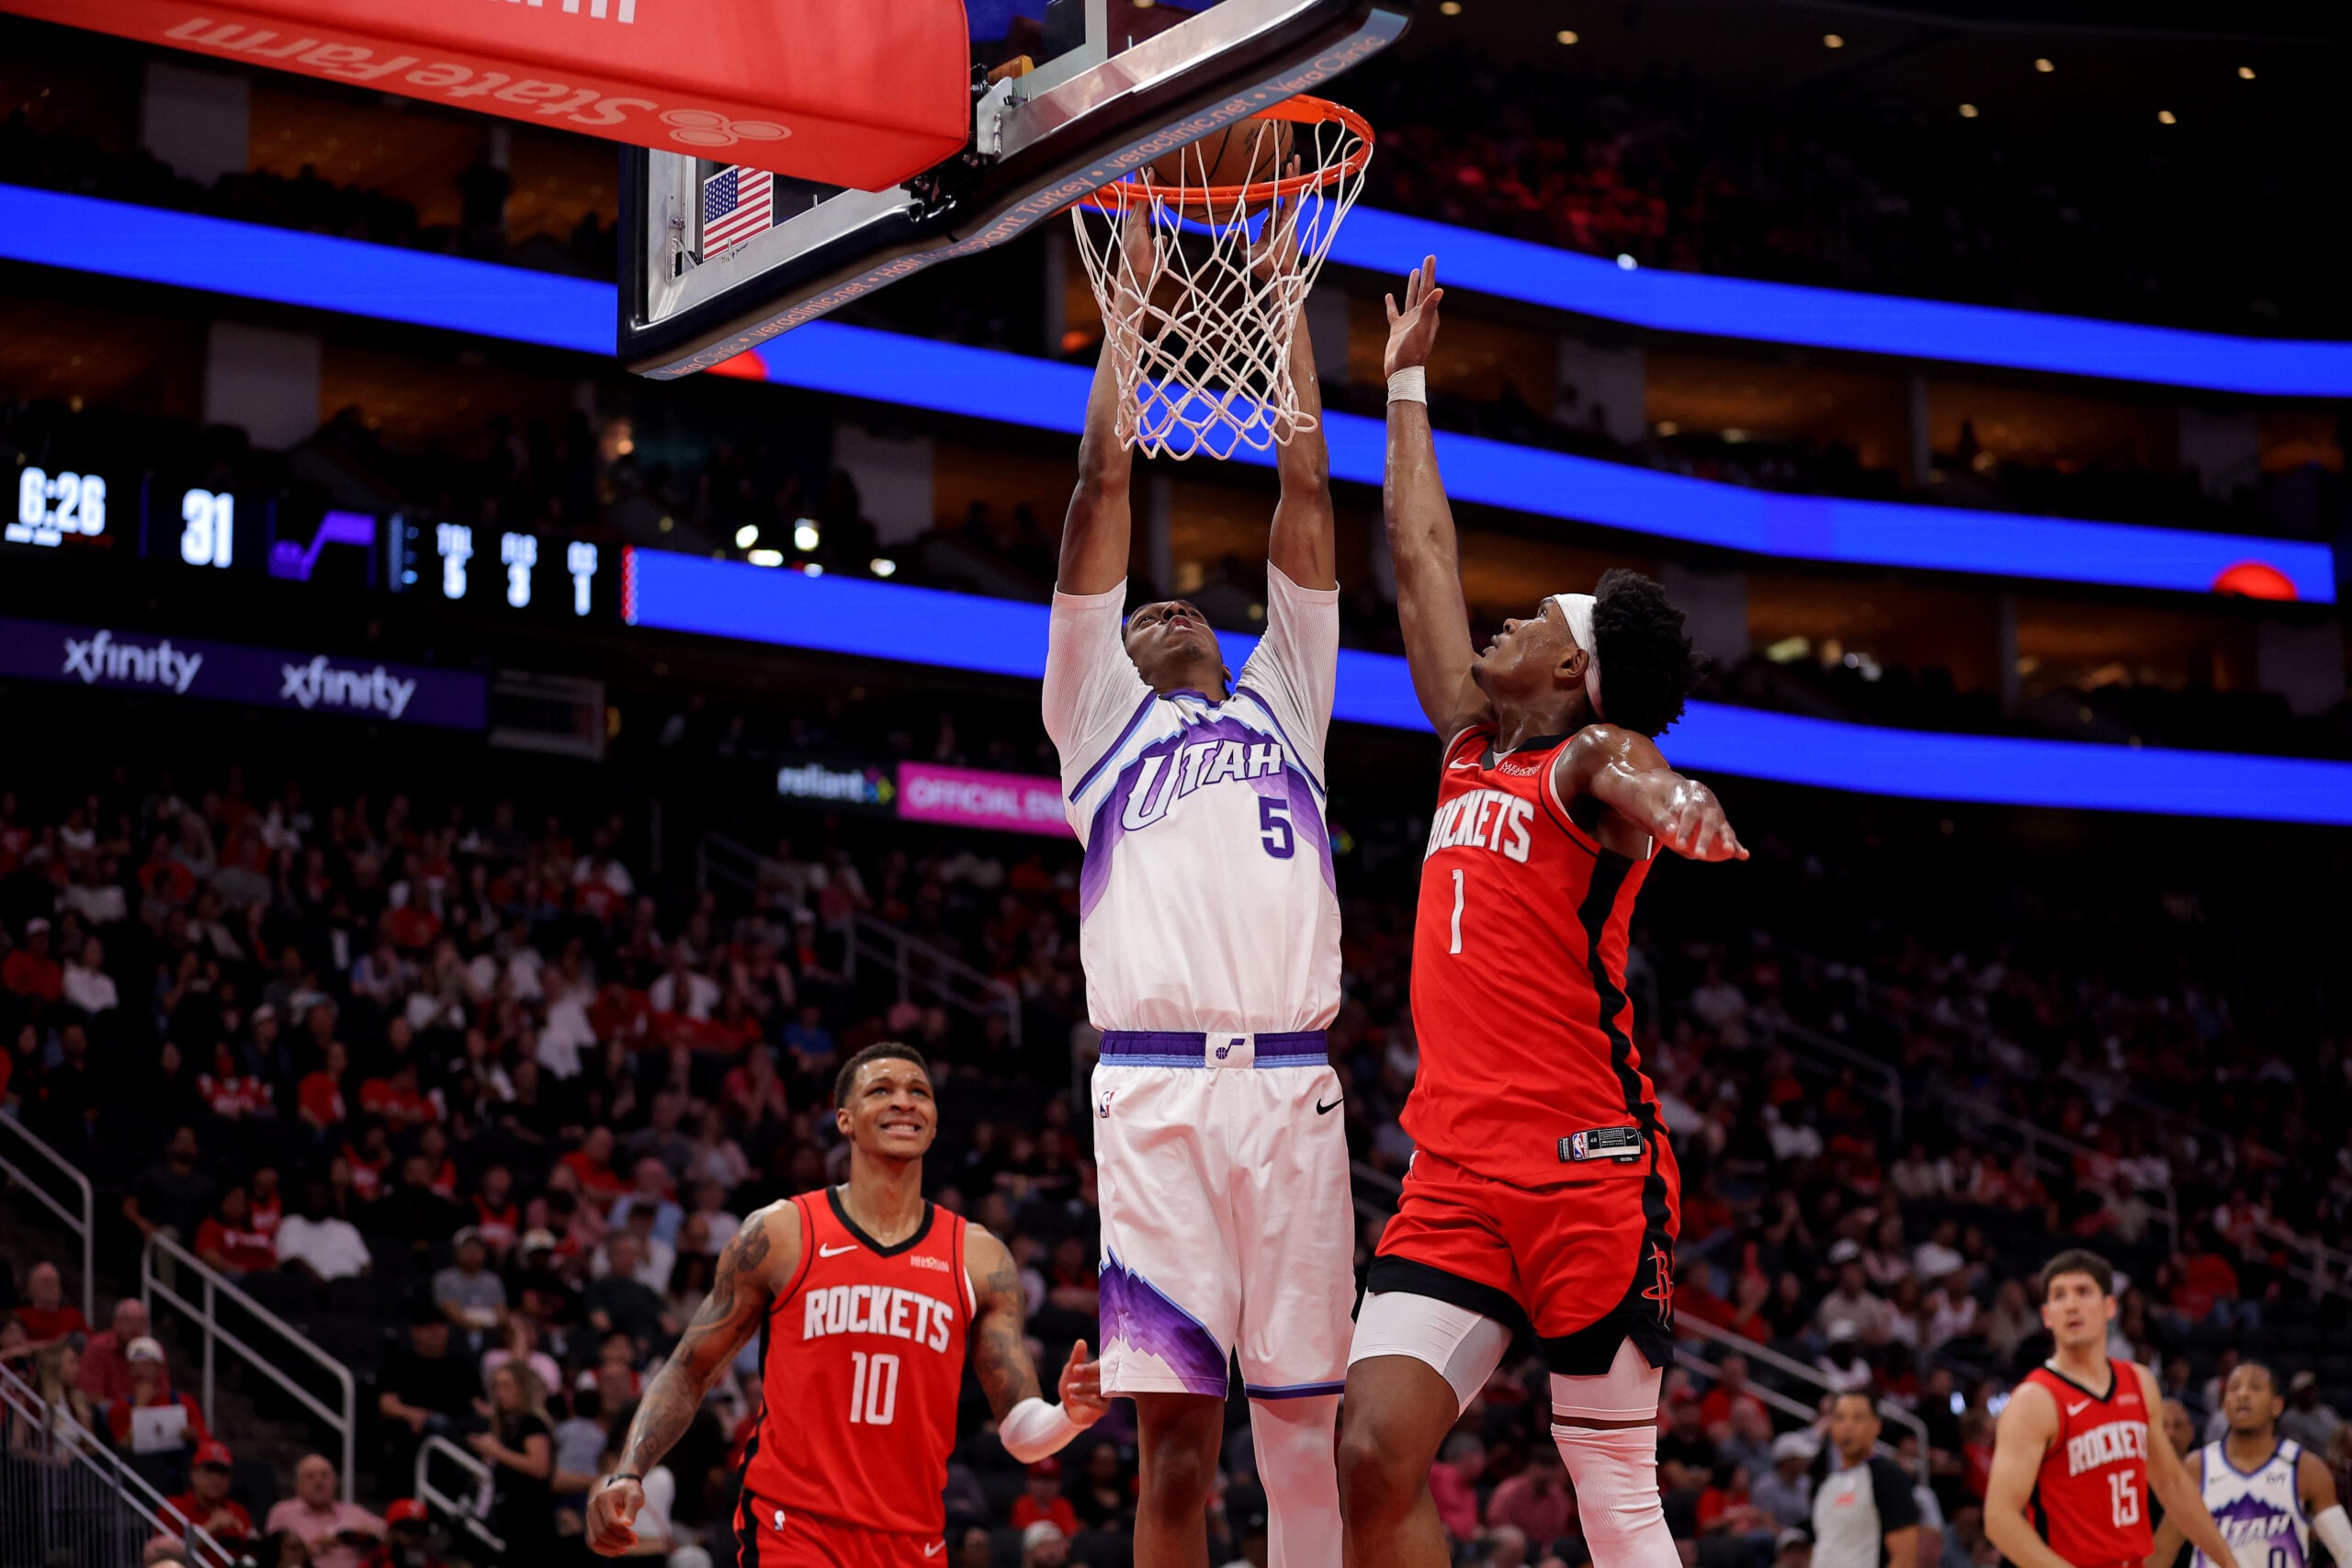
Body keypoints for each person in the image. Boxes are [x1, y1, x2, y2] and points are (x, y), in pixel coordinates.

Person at [1336, 256, 1744, 1568]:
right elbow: (1420, 549)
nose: (1496, 624)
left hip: (1587, 1167)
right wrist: (1403, 384)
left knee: (1612, 1493)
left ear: (1570, 664)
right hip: (1455, 1172)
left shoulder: (1585, 761)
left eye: (1524, 620)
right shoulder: (1468, 748)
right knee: (1370, 1451)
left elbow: (1636, 768)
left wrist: (1679, 801)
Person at [1041, 203, 1351, 1568]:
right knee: (1176, 1452)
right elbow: (1100, 488)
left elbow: (1309, 497)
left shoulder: (1287, 701)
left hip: (1292, 1089)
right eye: (1141, 609)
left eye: (1186, 606)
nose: (1164, 605)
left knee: (1305, 1446)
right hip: (1157, 1092)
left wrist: (1283, 308)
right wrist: (1130, 311)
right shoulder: (1095, 714)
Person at [586, 1042, 1109, 1565]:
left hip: (913, 1540)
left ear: (933, 1123)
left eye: (919, 1092)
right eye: (881, 1090)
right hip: (793, 1529)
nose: (904, 1101)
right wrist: (629, 1470)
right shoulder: (782, 1233)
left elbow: (1019, 1429)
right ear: (845, 1119)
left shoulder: (978, 1257)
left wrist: (1068, 1416)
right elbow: (689, 1370)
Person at [1983, 1251, 2245, 1568]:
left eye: (2083, 1292)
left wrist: (2229, 1562)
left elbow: (2172, 1483)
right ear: (2047, 1316)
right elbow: (1999, 1518)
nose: (2071, 1305)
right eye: (2059, 1296)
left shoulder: (2140, 1382)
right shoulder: (2035, 1400)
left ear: (2109, 1307)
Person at [2144, 1362, 2352, 1568]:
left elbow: (2346, 1551)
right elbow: (2162, 1554)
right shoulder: (2198, 1466)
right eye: (2234, 1388)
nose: (2242, 1394)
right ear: (2224, 1404)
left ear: (2276, 1406)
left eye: (2255, 1387)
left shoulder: (2305, 1468)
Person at [1810, 1393, 1920, 1568]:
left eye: (1858, 1418)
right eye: (1840, 1418)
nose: (1848, 1426)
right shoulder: (1825, 1482)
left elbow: (1905, 1557)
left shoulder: (1888, 1475)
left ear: (1876, 1426)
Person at [473, 1362, 555, 1564]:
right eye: (496, 1386)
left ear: (522, 1388)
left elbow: (539, 1467)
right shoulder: (509, 1425)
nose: (500, 1393)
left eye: (506, 1385)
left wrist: (496, 1451)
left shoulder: (532, 1423)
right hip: (510, 1516)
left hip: (531, 1519)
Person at [263, 1452, 386, 1568]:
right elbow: (270, 1557)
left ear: (335, 1481)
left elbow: (388, 1534)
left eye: (325, 1475)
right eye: (310, 1476)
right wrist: (317, 1546)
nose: (319, 1482)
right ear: (297, 1485)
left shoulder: (355, 1512)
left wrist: (371, 1534)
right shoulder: (283, 1513)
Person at [164, 1441, 255, 1566]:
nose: (216, 1478)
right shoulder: (173, 1508)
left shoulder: (238, 1511)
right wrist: (210, 1528)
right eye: (209, 1470)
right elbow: (166, 1559)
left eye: (222, 1472)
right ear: (193, 1474)